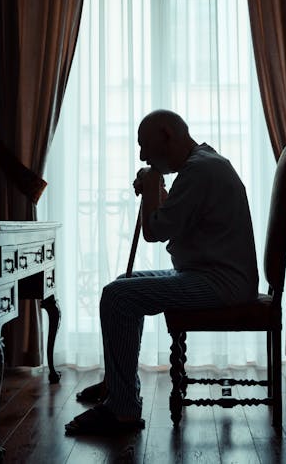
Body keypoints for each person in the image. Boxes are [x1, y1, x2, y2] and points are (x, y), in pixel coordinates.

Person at [64, 109, 259, 435]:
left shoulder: (199, 170)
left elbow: (155, 231)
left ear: (167, 135)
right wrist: (156, 190)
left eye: (144, 145)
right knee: (123, 286)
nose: (141, 154)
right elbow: (176, 216)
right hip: (210, 276)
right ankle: (117, 382)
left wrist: (153, 182)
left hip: (220, 285)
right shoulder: (202, 165)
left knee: (116, 297)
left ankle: (122, 409)